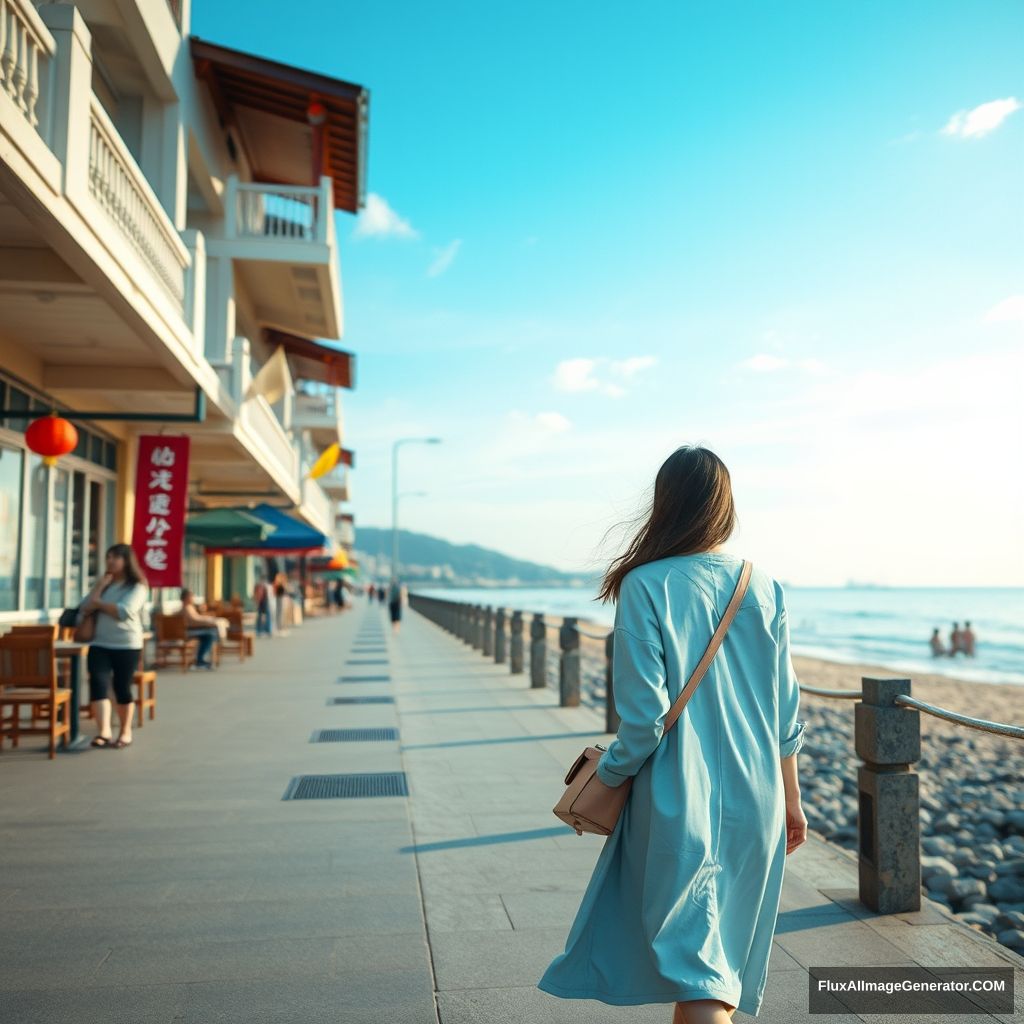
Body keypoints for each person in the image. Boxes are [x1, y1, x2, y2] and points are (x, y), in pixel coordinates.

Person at [537, 444, 808, 1022]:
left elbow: (644, 720)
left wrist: (606, 774)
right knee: (715, 972)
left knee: (702, 974)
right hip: (757, 800)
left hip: (678, 799)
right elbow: (786, 711)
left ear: (665, 505)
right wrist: (792, 799)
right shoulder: (765, 587)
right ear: (724, 507)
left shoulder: (646, 584)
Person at [78, 543, 149, 750]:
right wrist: (99, 588)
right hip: (99, 643)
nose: (110, 561)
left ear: (127, 561)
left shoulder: (137, 586)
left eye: (115, 557)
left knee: (121, 688)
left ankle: (125, 731)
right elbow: (83, 607)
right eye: (108, 557)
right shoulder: (104, 585)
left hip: (126, 644)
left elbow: (124, 611)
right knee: (98, 685)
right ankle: (104, 731)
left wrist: (98, 603)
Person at [180, 589, 220, 669]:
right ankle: (200, 659)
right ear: (185, 598)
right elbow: (194, 620)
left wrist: (207, 619)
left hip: (191, 630)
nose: (192, 598)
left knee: (209, 635)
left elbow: (197, 618)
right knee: (209, 636)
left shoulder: (189, 607)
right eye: (191, 596)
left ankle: (200, 658)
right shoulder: (186, 608)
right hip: (189, 631)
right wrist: (208, 621)